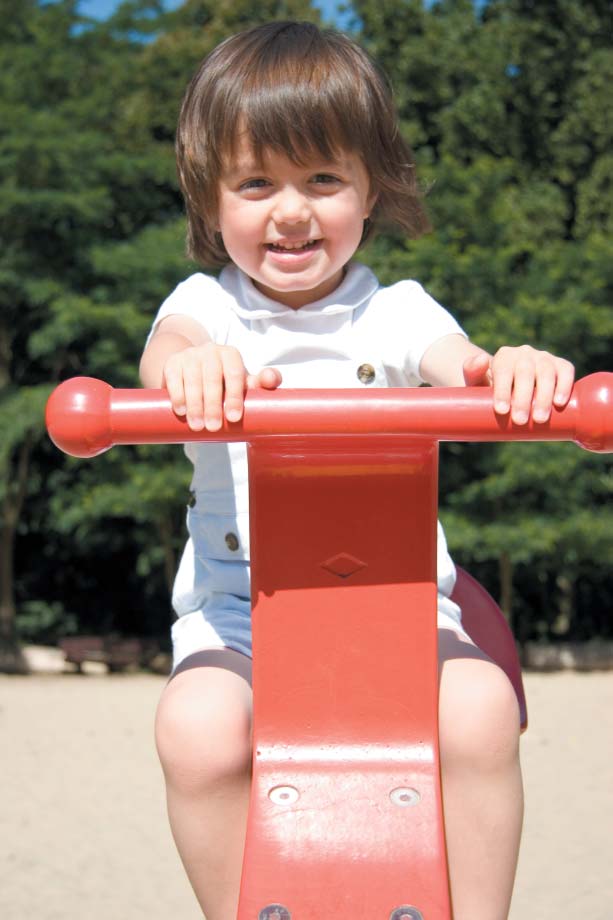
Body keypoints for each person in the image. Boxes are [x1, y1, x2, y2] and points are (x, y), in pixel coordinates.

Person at [140, 21, 574, 920]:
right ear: (210, 198)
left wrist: (512, 369)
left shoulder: (397, 313)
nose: (290, 211)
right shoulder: (203, 312)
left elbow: (465, 364)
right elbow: (165, 357)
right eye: (255, 183)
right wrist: (186, 372)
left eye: (323, 179)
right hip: (243, 617)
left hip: (402, 607)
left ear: (370, 189)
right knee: (195, 731)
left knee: (480, 709)